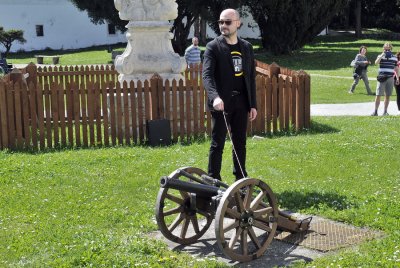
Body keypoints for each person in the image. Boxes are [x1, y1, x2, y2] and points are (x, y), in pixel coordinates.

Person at [202, 8, 257, 181]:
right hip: (221, 103)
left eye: (227, 22)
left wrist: (253, 104)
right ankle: (213, 180)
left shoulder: (247, 47)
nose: (223, 25)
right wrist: (215, 97)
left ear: (238, 24)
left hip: (241, 102)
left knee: (240, 143)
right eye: (220, 22)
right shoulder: (213, 47)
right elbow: (207, 75)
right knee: (217, 143)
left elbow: (250, 77)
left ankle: (240, 180)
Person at [371, 42, 399, 116]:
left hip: (390, 78)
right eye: (385, 47)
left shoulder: (394, 57)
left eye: (388, 47)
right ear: (383, 48)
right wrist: (382, 55)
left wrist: (398, 78)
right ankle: (375, 111)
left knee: (387, 95)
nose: (387, 49)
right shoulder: (380, 56)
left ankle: (385, 111)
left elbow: (396, 68)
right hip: (382, 78)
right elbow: (376, 62)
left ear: (390, 48)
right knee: (378, 95)